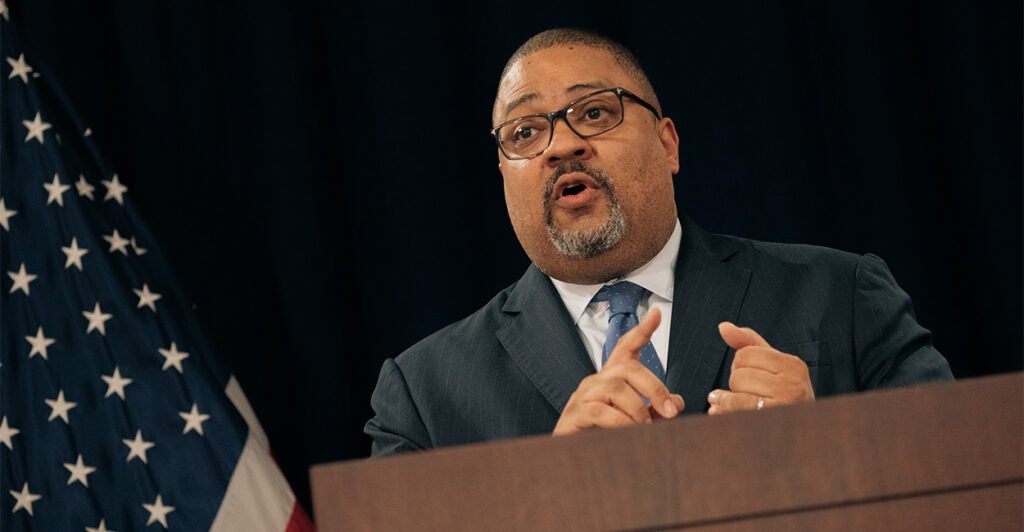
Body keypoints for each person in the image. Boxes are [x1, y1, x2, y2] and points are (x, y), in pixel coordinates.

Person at [364, 28, 953, 455]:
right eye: (525, 131)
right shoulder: (422, 396)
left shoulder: (842, 294)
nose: (561, 145)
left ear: (668, 145)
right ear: (503, 174)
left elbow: (967, 476)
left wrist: (826, 444)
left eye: (594, 112)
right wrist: (554, 500)